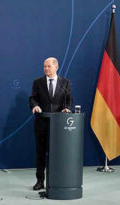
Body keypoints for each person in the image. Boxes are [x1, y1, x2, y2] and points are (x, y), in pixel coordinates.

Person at [28, 57, 72, 191]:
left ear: (56, 67)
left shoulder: (64, 83)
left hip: (58, 125)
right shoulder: (38, 82)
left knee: (56, 153)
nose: (46, 69)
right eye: (44, 66)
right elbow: (33, 98)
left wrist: (67, 108)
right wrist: (35, 106)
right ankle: (40, 181)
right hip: (42, 123)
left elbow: (68, 100)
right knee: (41, 153)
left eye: (49, 66)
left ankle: (55, 181)